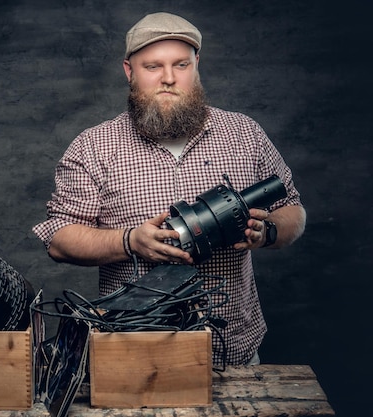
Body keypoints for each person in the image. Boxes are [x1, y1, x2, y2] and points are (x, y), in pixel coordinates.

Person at [32, 12, 306, 366]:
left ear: (196, 65)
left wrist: (267, 231)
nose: (169, 78)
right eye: (153, 66)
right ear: (130, 71)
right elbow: (58, 239)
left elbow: (292, 209)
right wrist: (130, 242)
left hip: (232, 354)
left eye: (181, 64)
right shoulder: (93, 146)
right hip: (134, 354)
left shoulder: (244, 134)